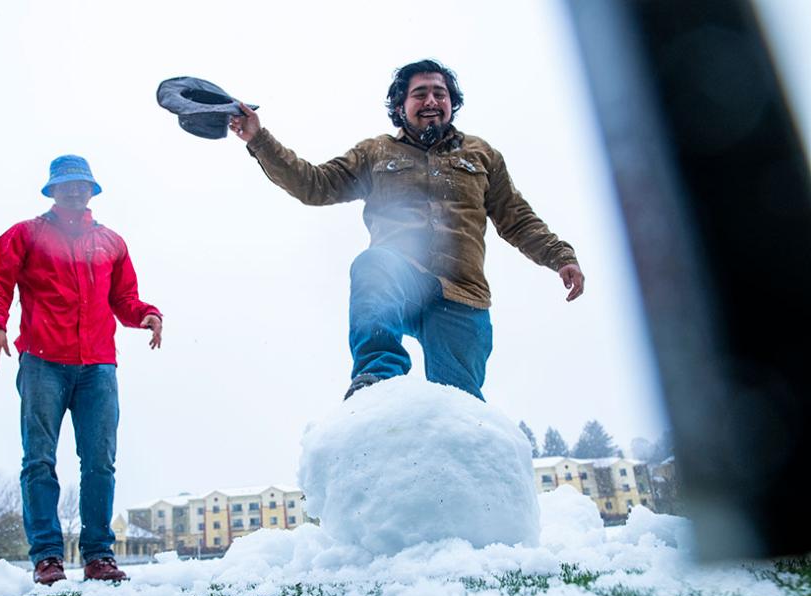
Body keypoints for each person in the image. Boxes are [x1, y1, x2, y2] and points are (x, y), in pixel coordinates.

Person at [229, 60, 584, 401]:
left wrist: (560, 257)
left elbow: (517, 217)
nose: (431, 101)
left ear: (451, 103)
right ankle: (377, 383)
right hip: (400, 275)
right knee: (374, 264)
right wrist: (259, 139)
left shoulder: (482, 155)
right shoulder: (375, 152)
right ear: (401, 106)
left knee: (461, 406)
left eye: (440, 94)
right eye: (420, 94)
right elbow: (315, 184)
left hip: (463, 291)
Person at [0, 155, 162, 584]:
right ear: (52, 190)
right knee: (39, 460)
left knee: (100, 462)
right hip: (42, 364)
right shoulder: (24, 235)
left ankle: (98, 556)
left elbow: (125, 299)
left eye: (82, 184)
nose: (75, 191)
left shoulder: (111, 242)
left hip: (98, 368)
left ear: (92, 190)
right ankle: (47, 558)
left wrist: (146, 314)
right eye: (66, 184)